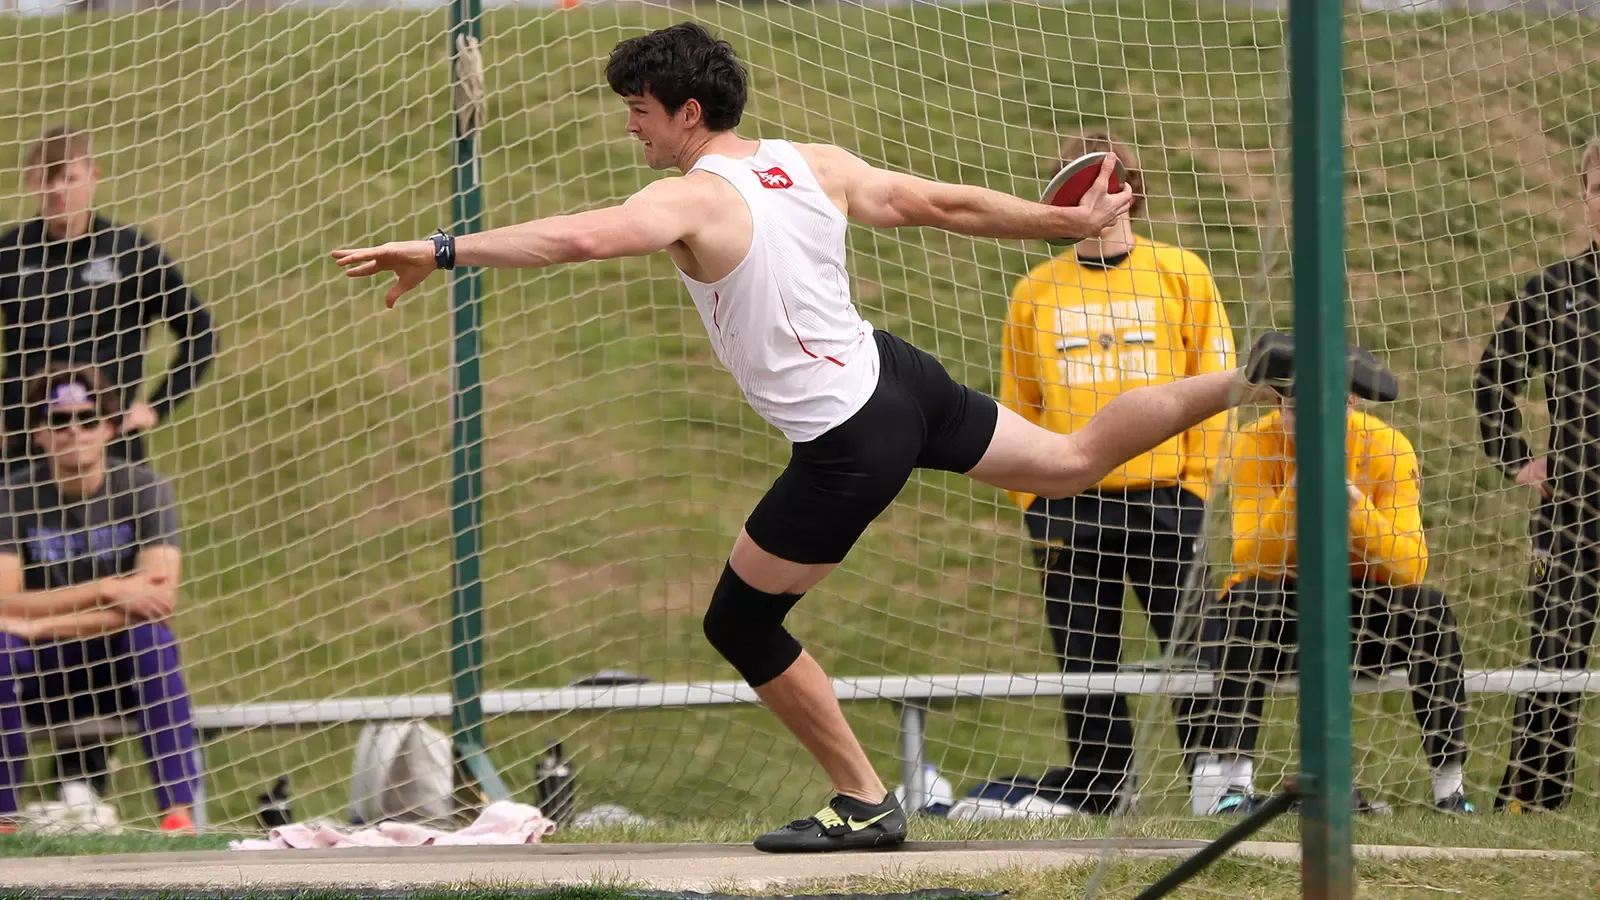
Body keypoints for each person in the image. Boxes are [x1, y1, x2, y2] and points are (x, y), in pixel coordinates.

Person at [333, 23, 1311, 853]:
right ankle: (1249, 379)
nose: (628, 120)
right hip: (901, 379)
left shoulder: (689, 197)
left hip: (848, 438)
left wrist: (444, 249)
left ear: (686, 112)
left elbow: (577, 239)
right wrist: (1062, 221)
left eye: (638, 105)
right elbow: (941, 205)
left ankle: (863, 800)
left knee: (738, 624)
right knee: (1068, 461)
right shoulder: (813, 164)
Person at [989, 132, 1235, 816]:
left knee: (1196, 646)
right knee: (1085, 658)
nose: (1100, 195)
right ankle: (1103, 789)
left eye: (1112, 180)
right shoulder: (1036, 291)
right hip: (1069, 504)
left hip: (1167, 501)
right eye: (1082, 185)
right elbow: (1019, 403)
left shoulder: (1181, 272)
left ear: (1133, 187)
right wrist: (1033, 494)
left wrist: (1195, 482)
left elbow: (1215, 382)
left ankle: (1213, 784)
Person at [1194, 373, 1473, 816]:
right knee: (1247, 599)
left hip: (1362, 609)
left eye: (1329, 410)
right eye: (1295, 411)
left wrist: (1352, 503)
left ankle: (1450, 791)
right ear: (1279, 405)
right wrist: (1296, 491)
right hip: (1285, 611)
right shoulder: (1254, 443)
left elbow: (1409, 564)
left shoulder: (1388, 445)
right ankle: (1235, 788)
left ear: (1352, 403)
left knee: (1432, 610)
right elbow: (1252, 556)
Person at [0, 364, 201, 834]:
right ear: (40, 434)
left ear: (109, 428)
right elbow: (3, 603)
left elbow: (159, 601)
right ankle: (3, 817)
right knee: (0, 649)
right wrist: (110, 589)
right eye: (60, 421)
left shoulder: (144, 489)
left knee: (152, 639)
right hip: (42, 672)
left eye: (87, 420)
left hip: (115, 668)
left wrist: (41, 622)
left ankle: (177, 813)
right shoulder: (11, 496)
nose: (74, 432)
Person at [1473, 137, 1600, 814]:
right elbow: (1494, 381)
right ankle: (1535, 798)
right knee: (1553, 653)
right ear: (1585, 195)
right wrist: (1519, 457)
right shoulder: (1554, 292)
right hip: (1573, 510)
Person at [0, 124, 217, 471]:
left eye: (69, 178)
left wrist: (155, 408)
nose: (58, 190)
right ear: (31, 181)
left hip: (111, 447)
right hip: (23, 448)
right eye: (47, 179)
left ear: (93, 176)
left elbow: (201, 332)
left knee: (120, 526)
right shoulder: (9, 254)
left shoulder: (130, 251)